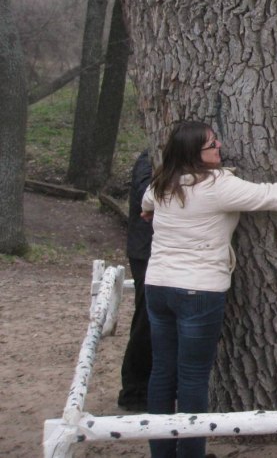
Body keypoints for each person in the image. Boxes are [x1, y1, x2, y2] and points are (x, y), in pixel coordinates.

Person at [140, 121, 277, 458]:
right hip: (198, 292)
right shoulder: (219, 187)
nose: (219, 145)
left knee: (163, 372)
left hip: (159, 288)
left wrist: (150, 212)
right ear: (195, 153)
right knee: (192, 378)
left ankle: (161, 453)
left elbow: (146, 207)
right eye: (211, 144)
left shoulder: (161, 185)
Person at [117, 150, 154, 412]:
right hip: (147, 250)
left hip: (163, 250)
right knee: (147, 319)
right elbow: (145, 196)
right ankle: (135, 390)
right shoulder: (150, 156)